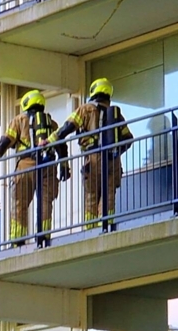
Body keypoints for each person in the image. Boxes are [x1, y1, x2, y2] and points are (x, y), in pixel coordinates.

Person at [0, 89, 70, 247]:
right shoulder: (52, 123)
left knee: (19, 203)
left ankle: (18, 240)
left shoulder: (19, 120)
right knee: (45, 202)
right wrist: (64, 166)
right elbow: (61, 147)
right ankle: (43, 236)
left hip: (26, 165)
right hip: (49, 166)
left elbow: (4, 143)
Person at [46, 78, 133, 229]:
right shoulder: (116, 114)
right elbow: (128, 139)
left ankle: (91, 229)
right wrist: (115, 153)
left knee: (91, 195)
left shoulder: (85, 109)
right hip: (114, 160)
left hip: (93, 159)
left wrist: (49, 141)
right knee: (109, 194)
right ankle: (106, 225)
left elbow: (67, 127)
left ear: (94, 91)